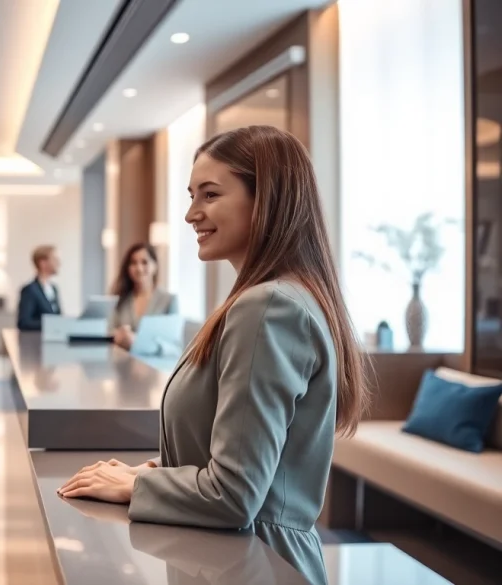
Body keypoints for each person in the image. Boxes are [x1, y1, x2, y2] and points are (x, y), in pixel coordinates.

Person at [57, 125, 371, 585]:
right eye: (191, 195)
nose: (190, 214)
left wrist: (137, 486)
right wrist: (151, 472)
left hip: (256, 564)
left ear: (266, 201)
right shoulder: (279, 299)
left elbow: (234, 495)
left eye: (209, 194)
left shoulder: (269, 307)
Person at [109, 242, 179, 350]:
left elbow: (174, 346)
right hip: (123, 362)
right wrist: (118, 336)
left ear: (155, 266)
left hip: (155, 364)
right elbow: (110, 331)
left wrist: (137, 342)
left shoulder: (169, 300)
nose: (139, 268)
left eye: (144, 262)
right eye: (133, 263)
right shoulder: (120, 299)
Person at [17, 245, 61, 331]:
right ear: (43, 263)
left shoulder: (54, 289)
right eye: (55, 259)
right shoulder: (30, 290)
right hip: (35, 341)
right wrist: (52, 324)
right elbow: (24, 322)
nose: (59, 263)